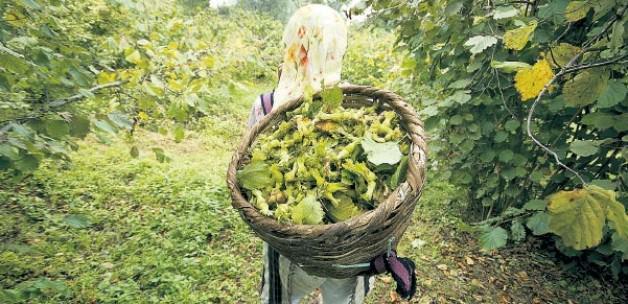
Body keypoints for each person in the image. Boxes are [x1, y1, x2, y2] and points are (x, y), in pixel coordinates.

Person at [246, 4, 375, 304]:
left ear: (291, 45)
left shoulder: (265, 106)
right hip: (347, 246)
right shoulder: (352, 103)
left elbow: (249, 171)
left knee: (282, 297)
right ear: (337, 49)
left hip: (292, 246)